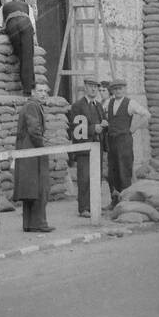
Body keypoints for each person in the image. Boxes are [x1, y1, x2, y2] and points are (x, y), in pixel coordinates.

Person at [100, 78, 149, 201]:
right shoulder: (108, 103)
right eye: (115, 89)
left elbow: (146, 115)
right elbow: (101, 115)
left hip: (124, 141)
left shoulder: (130, 103)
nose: (118, 91)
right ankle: (115, 202)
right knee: (112, 172)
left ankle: (126, 202)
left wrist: (135, 127)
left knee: (124, 171)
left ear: (124, 89)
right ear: (112, 91)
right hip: (112, 141)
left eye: (120, 89)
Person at [12, 85, 52, 232]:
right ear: (33, 92)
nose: (43, 94)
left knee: (31, 190)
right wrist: (43, 145)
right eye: (40, 91)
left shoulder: (32, 105)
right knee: (40, 188)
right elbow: (34, 130)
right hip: (32, 152)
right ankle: (39, 223)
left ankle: (29, 224)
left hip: (27, 152)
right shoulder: (32, 106)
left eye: (45, 91)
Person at [67, 77, 104, 217]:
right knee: (84, 178)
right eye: (91, 86)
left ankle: (95, 205)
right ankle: (83, 208)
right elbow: (76, 129)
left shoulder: (98, 105)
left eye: (96, 86)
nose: (94, 89)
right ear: (85, 88)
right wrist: (94, 128)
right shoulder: (78, 106)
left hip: (97, 147)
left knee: (96, 177)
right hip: (84, 148)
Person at [0, 0, 37, 96]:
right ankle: (28, 88)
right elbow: (32, 25)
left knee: (19, 53)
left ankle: (27, 82)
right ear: (23, 1)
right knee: (27, 55)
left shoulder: (5, 6)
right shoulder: (27, 7)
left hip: (11, 25)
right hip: (25, 23)